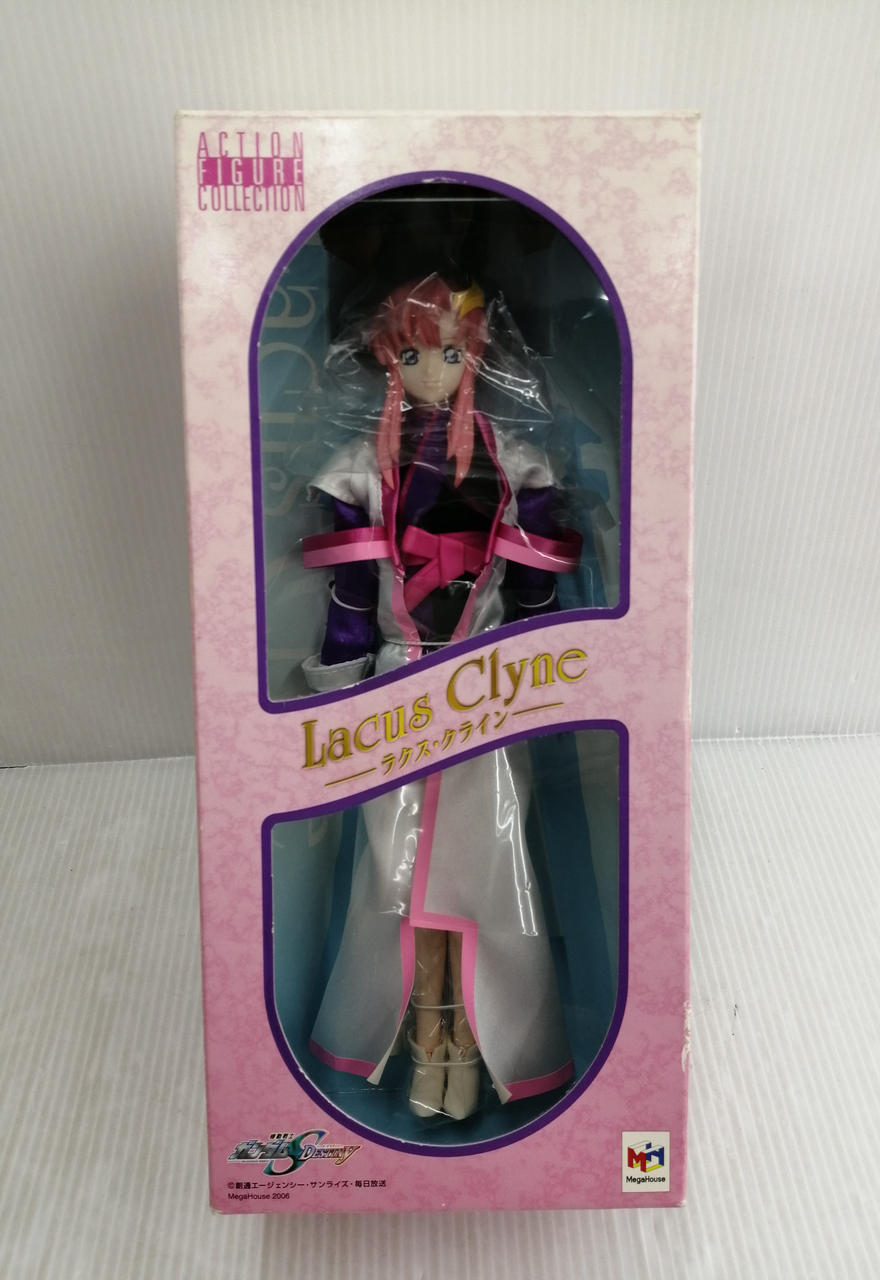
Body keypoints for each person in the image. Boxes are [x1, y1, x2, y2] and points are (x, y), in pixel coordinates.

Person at [302, 275, 580, 1119]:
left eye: (451, 355)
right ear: (389, 360)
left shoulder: (515, 463)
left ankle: (481, 1040)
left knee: (490, 870)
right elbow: (350, 604)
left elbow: (534, 599)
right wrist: (338, 701)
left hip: (487, 690)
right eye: (415, 356)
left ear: (474, 359)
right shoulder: (361, 470)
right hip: (397, 688)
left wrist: (544, 678)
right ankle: (428, 1035)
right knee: (394, 873)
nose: (433, 372)